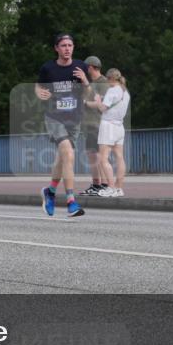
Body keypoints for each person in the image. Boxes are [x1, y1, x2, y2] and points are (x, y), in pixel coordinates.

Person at [36, 34, 90, 217]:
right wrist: (39, 93)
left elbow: (87, 94)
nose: (67, 48)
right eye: (63, 45)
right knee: (68, 153)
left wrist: (85, 81)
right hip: (54, 117)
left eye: (70, 45)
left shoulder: (80, 67)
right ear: (56, 48)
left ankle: (50, 191)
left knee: (63, 158)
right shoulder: (48, 68)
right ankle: (71, 202)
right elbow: (38, 86)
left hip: (74, 120)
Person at [92, 68, 131, 197]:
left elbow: (103, 108)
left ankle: (111, 187)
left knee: (103, 158)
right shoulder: (125, 92)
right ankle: (119, 188)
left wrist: (98, 101)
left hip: (108, 125)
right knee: (120, 157)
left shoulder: (112, 90)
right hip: (120, 126)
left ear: (110, 79)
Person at [80, 56, 110, 197]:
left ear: (91, 67)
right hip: (91, 124)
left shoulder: (103, 82)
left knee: (94, 155)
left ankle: (98, 185)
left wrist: (84, 103)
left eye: (86, 68)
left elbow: (100, 104)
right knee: (95, 155)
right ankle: (101, 185)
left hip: (97, 124)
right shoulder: (92, 83)